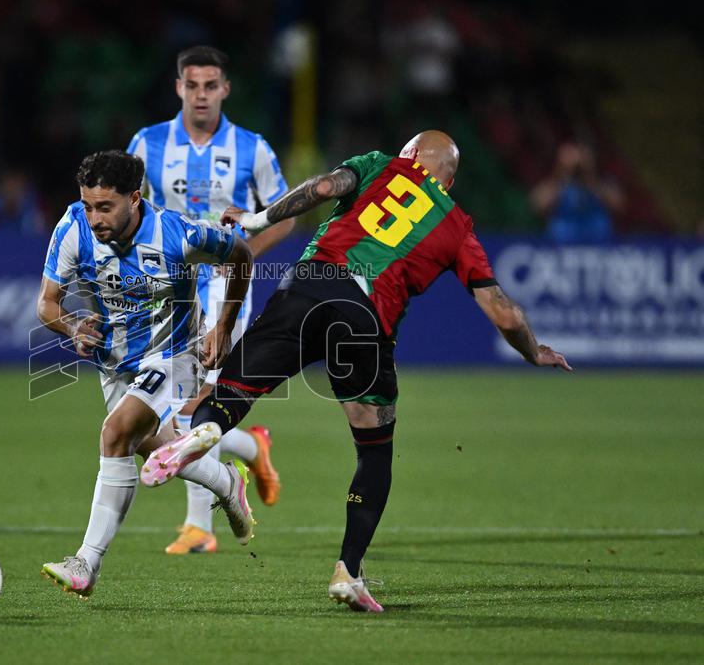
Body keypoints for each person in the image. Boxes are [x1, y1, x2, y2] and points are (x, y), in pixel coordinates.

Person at [140, 130, 573, 612]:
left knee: (232, 392)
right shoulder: (457, 225)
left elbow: (322, 189)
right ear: (448, 181)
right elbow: (504, 313)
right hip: (363, 316)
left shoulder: (379, 164)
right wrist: (533, 351)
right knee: (374, 451)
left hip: (306, 286)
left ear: (409, 156)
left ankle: (204, 434)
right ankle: (348, 571)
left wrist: (253, 218)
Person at [36, 150, 256, 597]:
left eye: (105, 207)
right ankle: (226, 480)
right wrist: (74, 325)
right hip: (115, 362)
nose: (94, 217)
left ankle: (86, 563)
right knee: (149, 447)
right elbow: (46, 304)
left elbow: (242, 256)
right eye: (88, 205)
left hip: (178, 355)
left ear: (134, 199)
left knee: (115, 433)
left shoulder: (178, 234)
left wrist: (224, 325)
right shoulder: (73, 227)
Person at [127, 45, 296, 555]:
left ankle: (200, 527)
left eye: (211, 85)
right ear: (179, 87)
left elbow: (286, 213)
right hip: (168, 286)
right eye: (192, 85)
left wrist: (243, 251)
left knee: (199, 399)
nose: (201, 94)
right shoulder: (147, 143)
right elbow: (130, 209)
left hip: (225, 292)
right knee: (181, 408)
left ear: (225, 89)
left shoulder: (253, 148)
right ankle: (251, 446)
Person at [530, 142, 624, 243]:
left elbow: (619, 206)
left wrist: (589, 176)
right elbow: (538, 205)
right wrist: (563, 173)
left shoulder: (602, 182)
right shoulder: (554, 184)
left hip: (599, 245)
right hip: (562, 246)